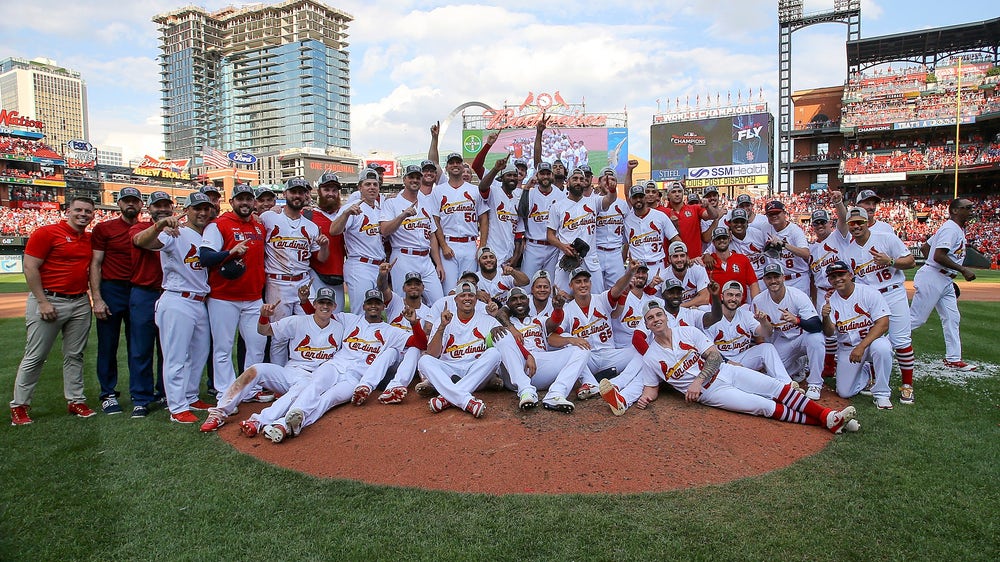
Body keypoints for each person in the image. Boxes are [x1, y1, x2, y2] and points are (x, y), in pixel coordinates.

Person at [598, 301, 858, 436]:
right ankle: (827, 421)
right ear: (646, 324)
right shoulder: (651, 356)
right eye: (650, 319)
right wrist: (644, 398)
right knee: (763, 406)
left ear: (666, 317)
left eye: (658, 316)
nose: (655, 320)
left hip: (723, 372)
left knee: (775, 387)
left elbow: (713, 357)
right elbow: (651, 387)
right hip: (714, 395)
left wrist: (698, 380)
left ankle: (826, 417)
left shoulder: (687, 331)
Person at [259, 289, 428, 442]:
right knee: (315, 387)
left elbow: (420, 343)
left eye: (377, 303)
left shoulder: (391, 331)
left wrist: (414, 324)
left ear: (383, 306)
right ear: (364, 306)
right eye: (370, 303)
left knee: (328, 399)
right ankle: (287, 420)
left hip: (354, 379)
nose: (373, 306)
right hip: (334, 366)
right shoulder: (348, 319)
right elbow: (320, 315)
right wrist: (305, 303)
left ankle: (285, 424)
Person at [200, 287, 342, 434]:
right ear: (315, 304)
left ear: (334, 307)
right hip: (292, 372)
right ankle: (218, 412)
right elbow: (264, 331)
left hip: (317, 379)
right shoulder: (298, 322)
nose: (325, 306)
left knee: (303, 387)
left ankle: (258, 420)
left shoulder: (340, 327)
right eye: (321, 302)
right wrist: (263, 316)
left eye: (329, 303)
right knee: (256, 370)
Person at [10, 197, 98, 425]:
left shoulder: (88, 238)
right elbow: (29, 267)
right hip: (50, 299)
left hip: (79, 301)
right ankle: (20, 405)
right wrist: (42, 301)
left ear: (93, 215)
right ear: (69, 211)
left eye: (88, 211)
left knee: (75, 355)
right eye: (78, 210)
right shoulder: (47, 233)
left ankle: (75, 400)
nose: (83, 214)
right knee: (36, 355)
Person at [134, 192, 216, 423]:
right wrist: (159, 226)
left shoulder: (208, 235)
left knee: (199, 354)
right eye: (197, 208)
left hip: (200, 300)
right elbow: (141, 241)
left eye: (205, 208)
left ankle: (190, 397)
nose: (202, 212)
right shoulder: (174, 232)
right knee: (176, 356)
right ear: (186, 210)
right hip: (177, 298)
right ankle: (177, 406)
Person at [840, 206, 916, 405]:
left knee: (900, 340)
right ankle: (874, 378)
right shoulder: (849, 251)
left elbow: (911, 261)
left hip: (893, 291)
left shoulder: (885, 237)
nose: (856, 227)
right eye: (852, 223)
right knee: (873, 339)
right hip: (871, 298)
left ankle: (907, 385)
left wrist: (890, 261)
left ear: (867, 222)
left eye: (860, 222)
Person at [199, 183, 267, 399]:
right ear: (232, 201)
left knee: (256, 346)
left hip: (253, 297)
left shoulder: (258, 227)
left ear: (253, 202)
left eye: (249, 199)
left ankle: (250, 389)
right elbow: (205, 257)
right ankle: (225, 392)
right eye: (240, 199)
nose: (245, 203)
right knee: (223, 348)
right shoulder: (219, 225)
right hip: (223, 297)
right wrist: (230, 252)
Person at [260, 177, 329, 364]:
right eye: (293, 192)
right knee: (279, 335)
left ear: (306, 195)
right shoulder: (269, 218)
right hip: (277, 282)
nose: (297, 196)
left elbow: (321, 258)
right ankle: (278, 380)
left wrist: (324, 246)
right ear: (285, 194)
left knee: (308, 329)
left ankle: (304, 373)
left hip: (302, 281)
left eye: (301, 192)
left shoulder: (311, 227)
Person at [417, 281, 509, 418]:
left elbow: (504, 343)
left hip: (476, 371)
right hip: (450, 369)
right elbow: (432, 353)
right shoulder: (443, 320)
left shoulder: (488, 320)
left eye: (471, 295)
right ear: (456, 299)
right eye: (463, 295)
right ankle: (465, 400)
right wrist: (442, 326)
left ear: (476, 299)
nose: (467, 298)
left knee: (494, 354)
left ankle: (447, 398)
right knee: (424, 360)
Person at [89, 186, 142, 414]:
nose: (130, 204)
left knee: (138, 345)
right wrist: (97, 298)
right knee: (108, 345)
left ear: (141, 205)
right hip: (113, 289)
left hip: (139, 289)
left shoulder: (145, 228)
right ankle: (108, 393)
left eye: (135, 201)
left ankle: (138, 392)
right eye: (126, 201)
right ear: (119, 204)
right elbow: (95, 264)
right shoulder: (104, 228)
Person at [494, 287, 589, 412]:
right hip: (517, 367)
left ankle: (556, 393)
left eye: (522, 298)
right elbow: (500, 317)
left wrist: (558, 309)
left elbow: (554, 322)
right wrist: (527, 355)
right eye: (514, 299)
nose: (518, 302)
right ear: (508, 305)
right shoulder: (503, 323)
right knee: (501, 335)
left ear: (528, 301)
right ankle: (526, 391)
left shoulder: (538, 320)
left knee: (582, 349)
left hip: (541, 366)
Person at [910, 198, 978, 371]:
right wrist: (962, 270)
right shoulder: (950, 229)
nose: (971, 210)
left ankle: (953, 358)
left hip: (944, 279)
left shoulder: (954, 229)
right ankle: (883, 346)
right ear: (955, 211)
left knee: (952, 318)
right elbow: (938, 256)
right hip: (933, 277)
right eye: (967, 207)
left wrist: (944, 272)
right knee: (916, 319)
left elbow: (926, 247)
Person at [821, 260, 894, 410]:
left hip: (871, 342)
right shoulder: (830, 301)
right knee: (844, 392)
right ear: (829, 280)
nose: (837, 279)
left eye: (841, 275)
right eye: (833, 277)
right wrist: (825, 317)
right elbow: (829, 333)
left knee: (883, 348)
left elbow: (883, 324)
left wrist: (861, 347)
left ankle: (882, 394)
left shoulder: (868, 293)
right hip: (848, 348)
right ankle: (866, 373)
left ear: (850, 275)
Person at [127, 191, 172, 418]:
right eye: (158, 206)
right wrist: (160, 226)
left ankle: (165, 392)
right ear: (149, 208)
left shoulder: (178, 230)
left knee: (168, 348)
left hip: (169, 294)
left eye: (166, 206)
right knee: (141, 349)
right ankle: (141, 398)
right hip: (144, 293)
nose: (162, 209)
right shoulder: (139, 228)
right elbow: (140, 241)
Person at [751, 263, 826, 400]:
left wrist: (797, 320)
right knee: (775, 376)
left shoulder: (797, 296)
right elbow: (763, 334)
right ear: (764, 280)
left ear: (783, 278)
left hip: (802, 337)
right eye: (769, 278)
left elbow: (816, 326)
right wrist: (763, 323)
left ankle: (815, 383)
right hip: (782, 341)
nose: (773, 281)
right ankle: (799, 366)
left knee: (816, 339)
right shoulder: (759, 301)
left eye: (776, 277)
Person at [705, 281, 793, 384]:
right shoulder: (711, 318)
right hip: (721, 363)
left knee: (767, 348)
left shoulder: (746, 314)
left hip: (742, 359)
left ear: (742, 297)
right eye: (730, 295)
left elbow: (767, 334)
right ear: (722, 296)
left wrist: (764, 322)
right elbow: (708, 351)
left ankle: (787, 384)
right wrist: (729, 362)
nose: (733, 299)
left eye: (737, 295)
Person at [380, 164, 444, 303]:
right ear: (404, 180)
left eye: (417, 177)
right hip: (403, 257)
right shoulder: (392, 203)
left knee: (438, 302)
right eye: (411, 177)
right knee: (402, 303)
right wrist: (402, 216)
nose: (415, 180)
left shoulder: (426, 203)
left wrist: (438, 263)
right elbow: (384, 230)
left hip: (425, 259)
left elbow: (432, 235)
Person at [547, 167, 618, 292]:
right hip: (567, 257)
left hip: (590, 258)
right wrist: (563, 246)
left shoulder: (593, 201)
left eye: (581, 179)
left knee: (596, 298)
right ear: (567, 182)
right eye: (574, 179)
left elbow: (609, 199)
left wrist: (612, 190)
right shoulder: (557, 206)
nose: (578, 182)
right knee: (561, 296)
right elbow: (550, 235)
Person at [430, 143, 487, 291]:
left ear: (462, 166)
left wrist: (481, 248)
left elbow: (484, 219)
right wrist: (444, 246)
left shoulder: (474, 190)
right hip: (449, 244)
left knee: (469, 289)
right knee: (449, 289)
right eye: (451, 163)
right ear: (447, 167)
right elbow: (435, 221)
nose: (455, 165)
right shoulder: (439, 191)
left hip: (470, 244)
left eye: (458, 162)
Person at [332, 169, 384, 311]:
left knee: (378, 311)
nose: (372, 187)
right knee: (361, 311)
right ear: (360, 187)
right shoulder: (352, 207)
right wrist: (346, 214)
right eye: (367, 184)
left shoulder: (381, 208)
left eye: (375, 184)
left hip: (379, 266)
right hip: (360, 265)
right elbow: (334, 230)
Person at [623, 183, 679, 282]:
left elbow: (676, 239)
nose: (638, 200)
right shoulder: (626, 220)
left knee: (659, 297)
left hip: (657, 266)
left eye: (641, 196)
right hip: (636, 269)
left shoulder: (660, 216)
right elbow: (626, 245)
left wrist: (680, 257)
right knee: (635, 297)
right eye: (635, 197)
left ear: (645, 198)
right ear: (630, 200)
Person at [309, 172, 347, 312]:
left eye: (334, 190)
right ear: (319, 192)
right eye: (326, 190)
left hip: (338, 275)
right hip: (315, 273)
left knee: (337, 316)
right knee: (316, 317)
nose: (330, 193)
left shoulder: (346, 215)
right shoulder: (308, 215)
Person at [519, 160, 565, 279]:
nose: (545, 176)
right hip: (533, 246)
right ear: (537, 176)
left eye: (548, 173)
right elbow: (522, 213)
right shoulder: (530, 193)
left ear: (552, 176)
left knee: (550, 286)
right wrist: (526, 189)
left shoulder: (560, 195)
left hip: (553, 248)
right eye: (542, 173)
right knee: (527, 284)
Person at [478, 159, 525, 267]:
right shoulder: (494, 192)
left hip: (509, 253)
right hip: (492, 251)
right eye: (509, 175)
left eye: (514, 175)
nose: (512, 178)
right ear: (502, 178)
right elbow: (482, 187)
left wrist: (516, 256)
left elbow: (518, 233)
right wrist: (495, 169)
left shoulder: (518, 199)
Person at [760, 200, 811, 294]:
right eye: (770, 214)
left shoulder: (794, 230)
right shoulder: (765, 227)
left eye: (777, 213)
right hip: (777, 281)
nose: (774, 216)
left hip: (798, 279)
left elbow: (806, 254)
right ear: (766, 216)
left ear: (784, 213)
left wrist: (783, 244)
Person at [704, 226, 759, 302]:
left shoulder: (742, 259)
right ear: (713, 242)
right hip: (716, 307)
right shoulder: (707, 262)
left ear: (729, 239)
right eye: (718, 238)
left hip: (740, 306)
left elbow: (753, 283)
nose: (722, 240)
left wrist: (756, 304)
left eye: (724, 238)